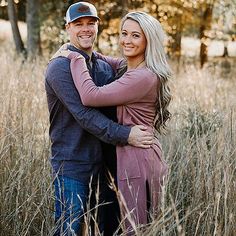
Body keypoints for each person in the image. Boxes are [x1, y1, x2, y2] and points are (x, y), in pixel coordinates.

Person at [57, 11, 172, 235]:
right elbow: (107, 59)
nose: (127, 40)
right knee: (117, 224)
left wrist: (76, 56)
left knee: (131, 226)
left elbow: (91, 96)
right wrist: (89, 53)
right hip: (124, 157)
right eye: (124, 33)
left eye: (136, 36)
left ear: (149, 40)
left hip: (136, 159)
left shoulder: (143, 76)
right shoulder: (131, 68)